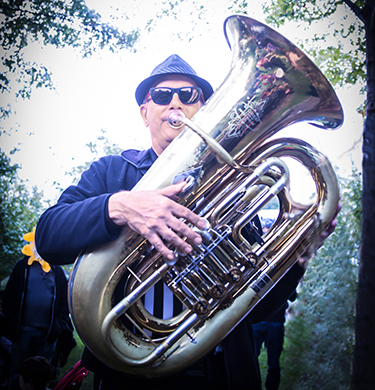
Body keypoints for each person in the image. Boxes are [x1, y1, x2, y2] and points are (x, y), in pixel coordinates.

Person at [35, 54, 338, 390]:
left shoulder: (240, 187)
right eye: (162, 96)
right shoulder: (111, 173)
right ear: (144, 113)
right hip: (129, 378)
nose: (175, 103)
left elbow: (259, 306)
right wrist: (120, 206)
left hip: (222, 376)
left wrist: (298, 255)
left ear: (204, 110)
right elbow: (47, 237)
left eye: (189, 96)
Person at [2, 254, 72, 390]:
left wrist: (58, 327)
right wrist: (13, 321)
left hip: (48, 334)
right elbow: (8, 297)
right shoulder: (22, 267)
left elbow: (65, 302)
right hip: (23, 331)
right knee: (18, 371)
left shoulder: (57, 270)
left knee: (42, 375)